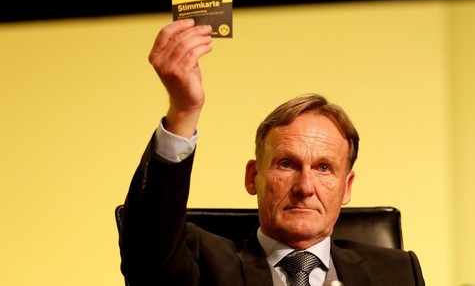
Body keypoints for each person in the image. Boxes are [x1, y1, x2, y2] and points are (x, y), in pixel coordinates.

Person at [119, 19, 425, 286]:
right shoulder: (203, 262)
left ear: (346, 187)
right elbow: (148, 249)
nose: (305, 187)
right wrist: (183, 111)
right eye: (287, 164)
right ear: (253, 177)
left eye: (324, 168)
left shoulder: (397, 273)